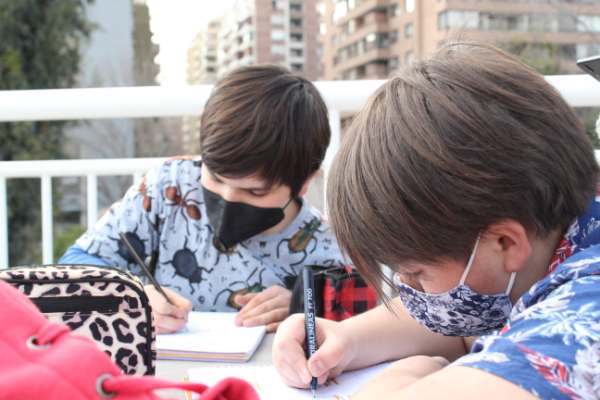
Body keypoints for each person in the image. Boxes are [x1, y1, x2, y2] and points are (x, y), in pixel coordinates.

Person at [272, 42, 600, 399]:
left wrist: (411, 375)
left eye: (417, 273)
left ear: (505, 242)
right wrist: (347, 338)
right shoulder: (561, 235)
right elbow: (464, 328)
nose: (408, 287)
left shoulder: (586, 316)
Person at [59, 65, 347, 333]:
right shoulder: (170, 188)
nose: (227, 197)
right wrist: (130, 295)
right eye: (216, 178)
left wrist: (307, 308)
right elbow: (74, 265)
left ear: (304, 182)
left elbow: (358, 319)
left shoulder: (328, 249)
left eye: (255, 191)